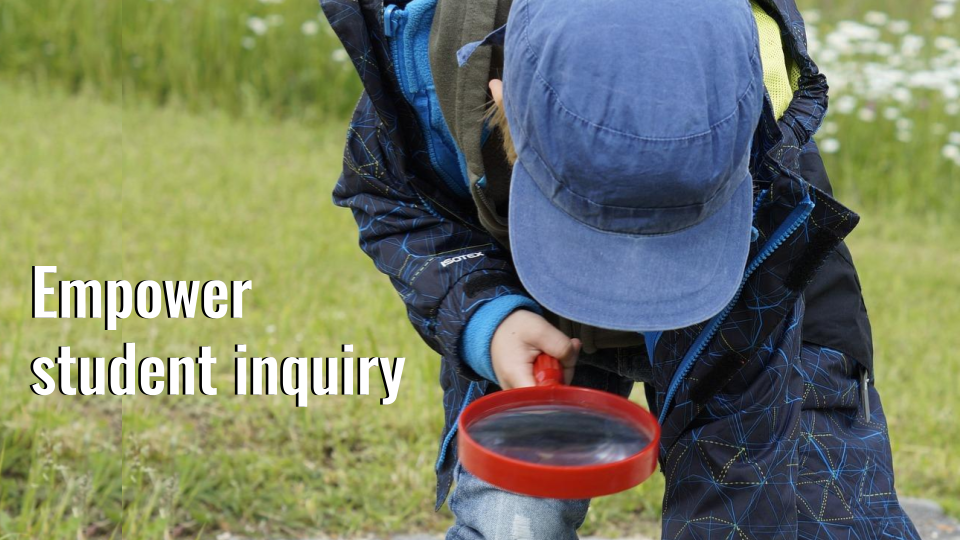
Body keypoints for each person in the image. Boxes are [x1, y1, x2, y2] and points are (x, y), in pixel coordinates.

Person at [320, 0, 920, 538]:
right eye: (593, 232)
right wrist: (490, 319)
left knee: (798, 504)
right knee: (511, 522)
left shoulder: (756, 115)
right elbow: (393, 201)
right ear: (503, 103)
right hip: (534, 304)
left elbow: (760, 488)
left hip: (735, 291)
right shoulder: (433, 75)